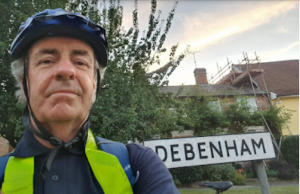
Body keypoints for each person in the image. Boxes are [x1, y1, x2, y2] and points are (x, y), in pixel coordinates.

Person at [0, 8, 179, 194]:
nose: (65, 70)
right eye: (46, 61)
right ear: (24, 83)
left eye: (80, 62)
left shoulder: (137, 164)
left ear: (94, 84)